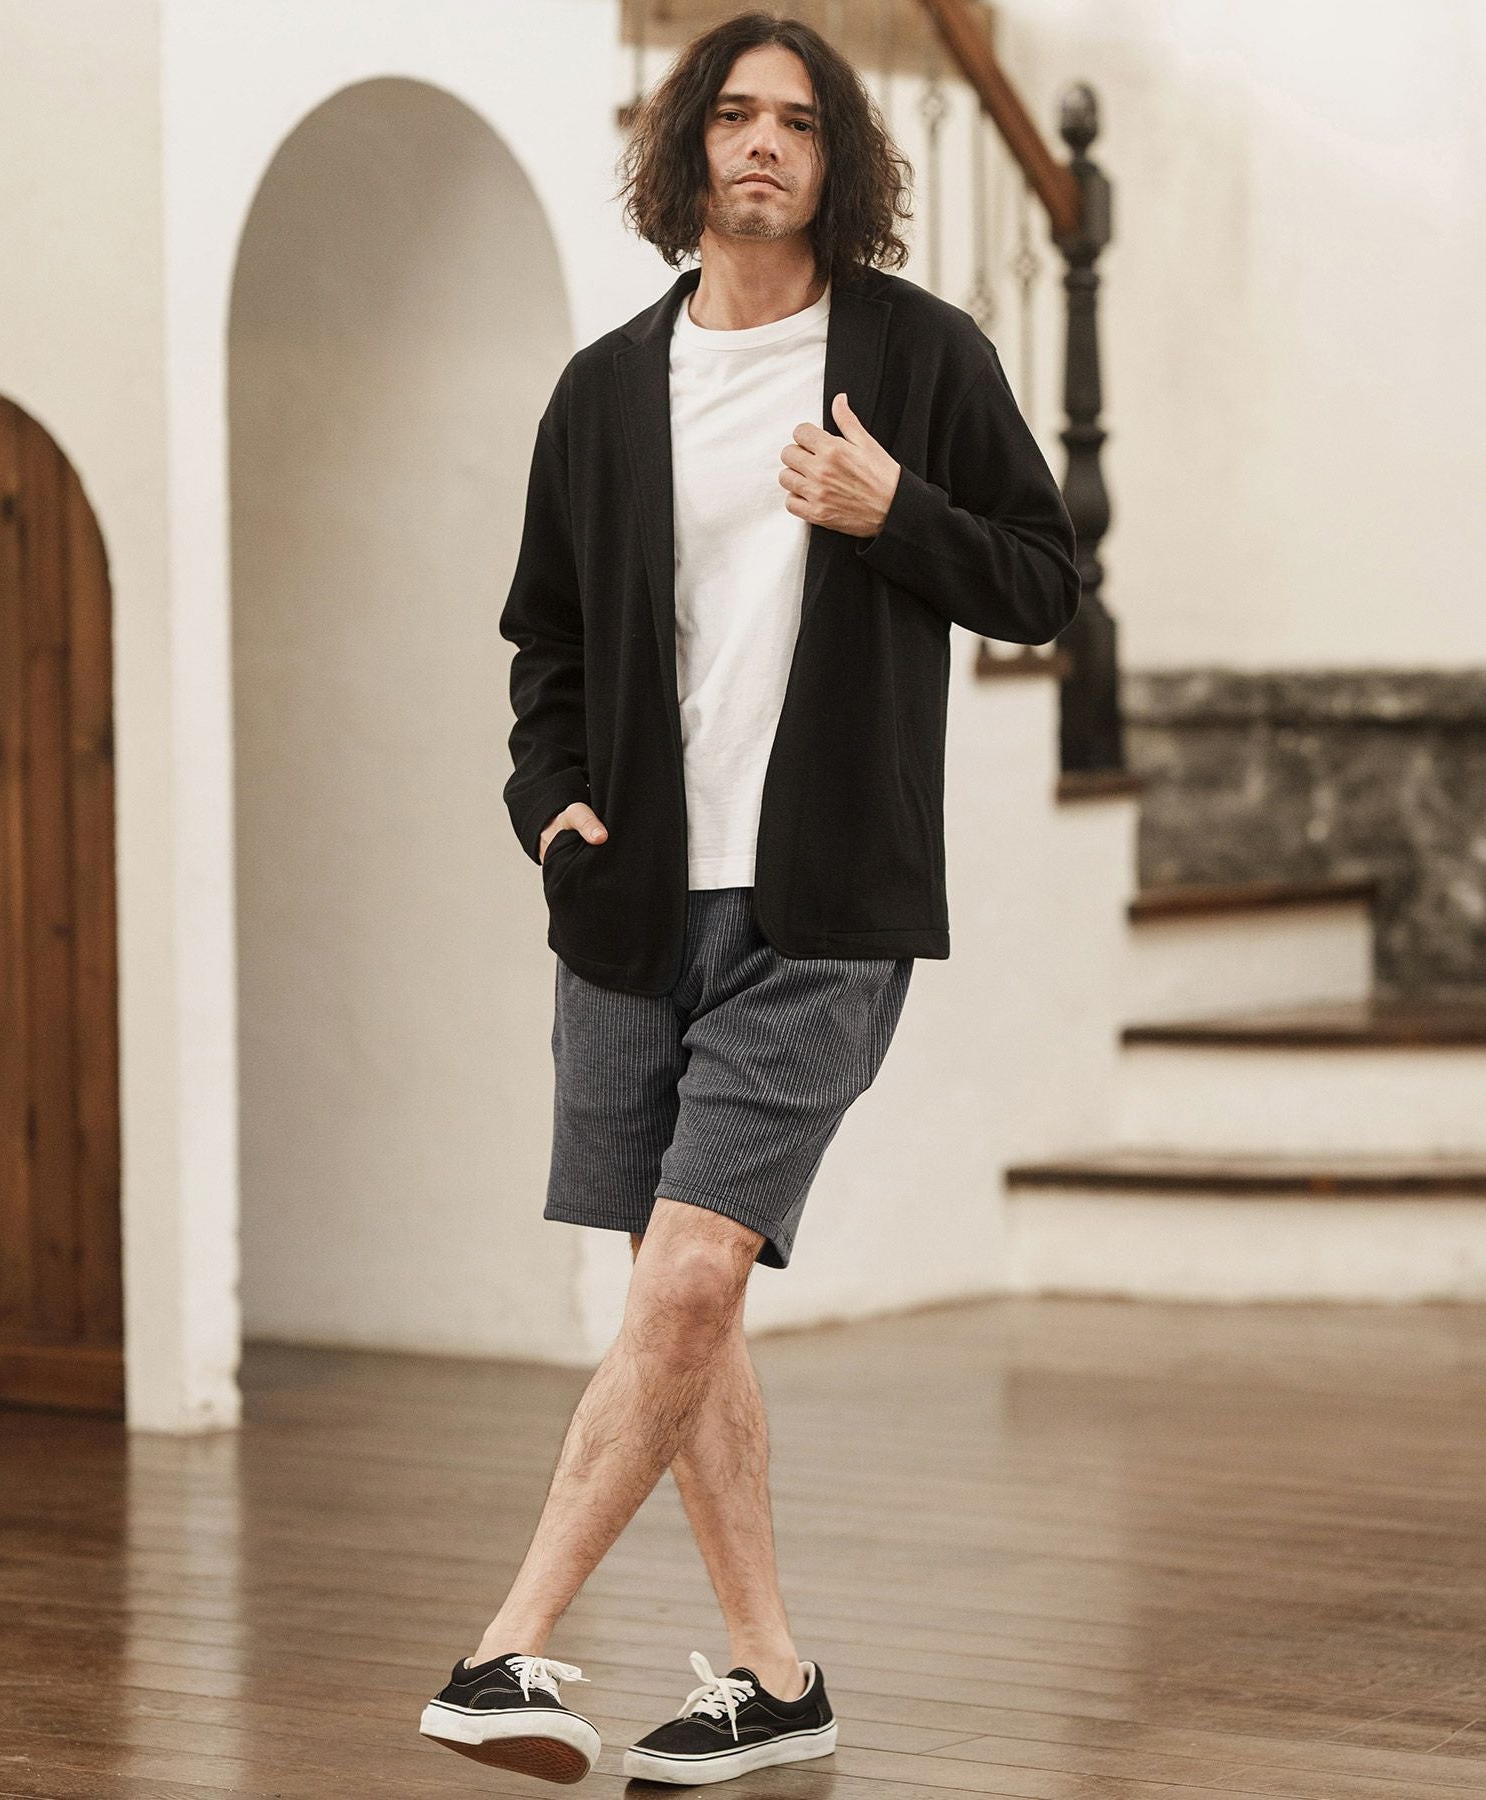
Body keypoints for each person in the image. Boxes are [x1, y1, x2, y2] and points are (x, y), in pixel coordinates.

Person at [419, 8, 1079, 1786]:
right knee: (683, 1301)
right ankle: (778, 1682)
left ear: (837, 159)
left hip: (822, 905)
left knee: (694, 1266)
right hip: (631, 903)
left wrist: (894, 510)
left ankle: (504, 1648)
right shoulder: (603, 389)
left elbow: (1044, 584)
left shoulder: (919, 357)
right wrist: (547, 807)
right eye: (734, 114)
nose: (765, 141)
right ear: (688, 148)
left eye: (798, 119)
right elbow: (546, 643)